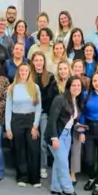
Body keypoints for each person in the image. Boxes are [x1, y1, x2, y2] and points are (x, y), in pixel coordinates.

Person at [45, 76, 85, 195]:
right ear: (68, 87)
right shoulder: (60, 99)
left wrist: (80, 128)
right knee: (63, 163)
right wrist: (54, 138)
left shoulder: (77, 101)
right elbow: (52, 120)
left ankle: (56, 187)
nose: (76, 88)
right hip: (57, 135)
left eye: (79, 85)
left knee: (59, 161)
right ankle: (69, 189)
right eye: (74, 85)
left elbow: (72, 120)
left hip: (67, 135)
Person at [5, 63, 42, 187]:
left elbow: (38, 108)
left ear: (29, 72)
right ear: (18, 72)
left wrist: (35, 125)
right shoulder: (12, 88)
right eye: (21, 70)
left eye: (26, 70)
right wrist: (8, 128)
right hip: (17, 119)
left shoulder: (35, 87)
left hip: (31, 119)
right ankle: (22, 176)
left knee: (33, 149)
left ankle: (34, 178)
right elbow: (8, 108)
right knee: (19, 149)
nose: (23, 72)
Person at [30, 51, 59, 179]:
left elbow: (52, 96)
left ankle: (43, 166)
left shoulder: (50, 77)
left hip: (44, 113)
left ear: (44, 62)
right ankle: (32, 166)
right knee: (31, 141)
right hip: (30, 113)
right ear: (32, 62)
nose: (38, 63)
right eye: (36, 60)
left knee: (42, 142)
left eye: (41, 60)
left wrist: (42, 108)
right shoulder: (29, 76)